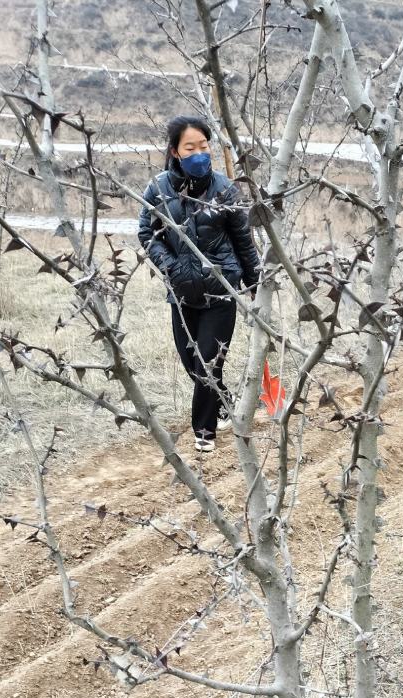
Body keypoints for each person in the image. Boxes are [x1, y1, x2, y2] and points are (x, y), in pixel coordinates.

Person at [137, 115, 260, 454]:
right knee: (192, 363)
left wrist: (255, 284)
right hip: (181, 293)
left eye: (204, 146)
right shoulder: (158, 189)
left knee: (208, 362)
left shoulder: (225, 190)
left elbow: (244, 242)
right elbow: (147, 234)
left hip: (220, 290)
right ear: (175, 151)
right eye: (190, 147)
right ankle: (222, 402)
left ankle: (204, 432)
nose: (199, 154)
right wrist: (171, 267)